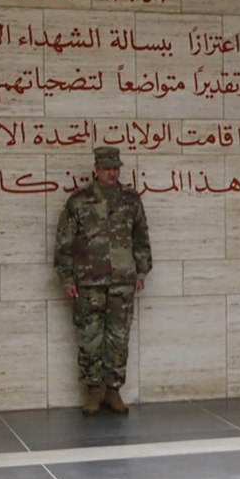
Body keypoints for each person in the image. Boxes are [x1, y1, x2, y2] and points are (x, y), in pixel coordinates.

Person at [54, 146, 152, 415]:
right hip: (88, 282)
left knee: (118, 339)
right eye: (107, 168)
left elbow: (141, 237)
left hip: (122, 281)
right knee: (89, 338)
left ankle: (113, 391)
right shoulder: (79, 201)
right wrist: (66, 277)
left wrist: (141, 272)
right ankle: (93, 392)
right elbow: (65, 241)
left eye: (116, 168)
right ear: (95, 169)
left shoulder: (130, 200)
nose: (112, 173)